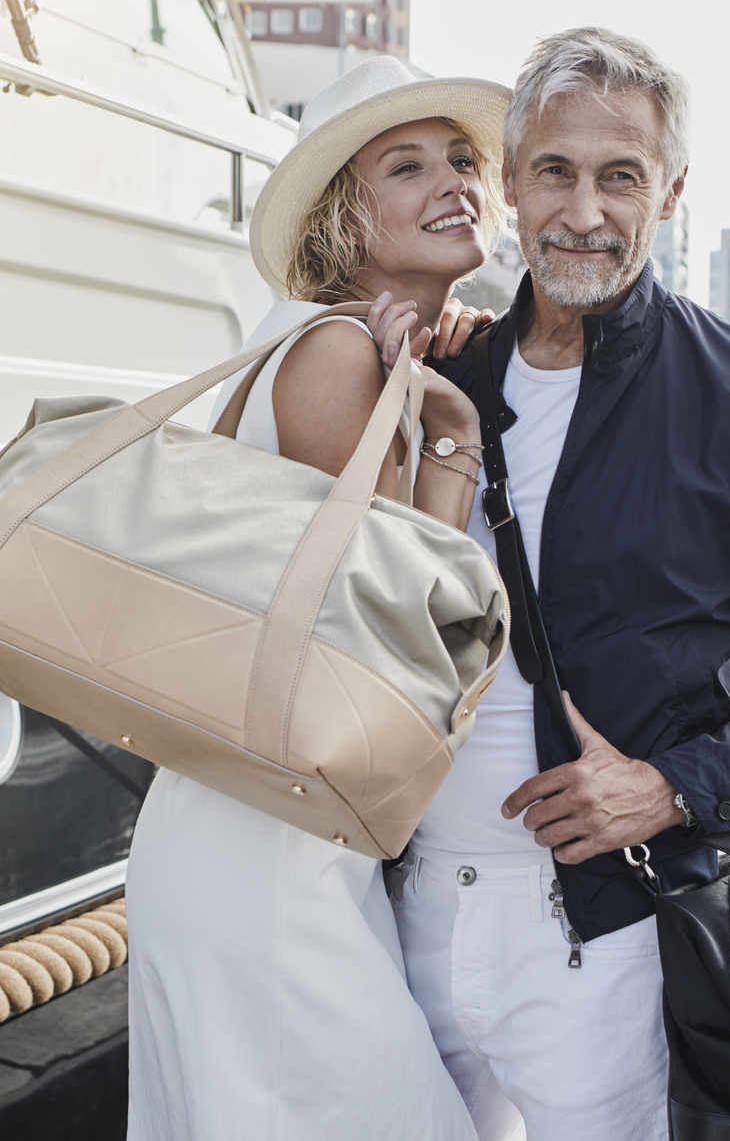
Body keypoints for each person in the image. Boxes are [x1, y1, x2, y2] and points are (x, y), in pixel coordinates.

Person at [393, 28, 730, 1141]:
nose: (584, 212)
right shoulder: (439, 376)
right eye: (556, 172)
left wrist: (673, 783)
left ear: (669, 191)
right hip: (406, 912)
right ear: (513, 183)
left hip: (605, 934)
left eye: (619, 176)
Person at [126, 55, 512, 1140]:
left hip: (248, 825)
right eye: (408, 165)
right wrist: (452, 438)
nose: (455, 184)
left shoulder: (317, 341)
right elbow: (392, 650)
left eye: (461, 160)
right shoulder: (340, 353)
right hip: (272, 862)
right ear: (350, 210)